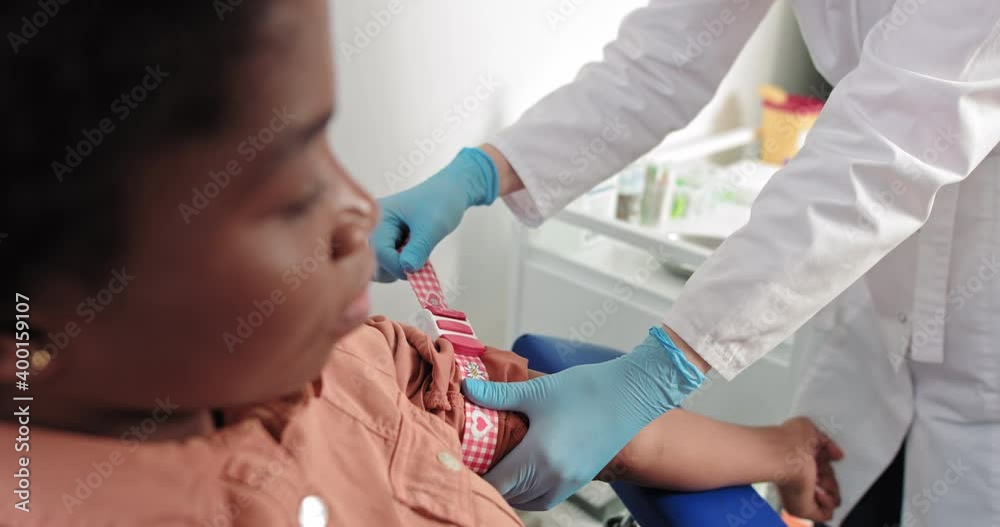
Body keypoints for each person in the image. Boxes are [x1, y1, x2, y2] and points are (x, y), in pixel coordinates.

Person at [0, 1, 843, 524]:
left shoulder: (355, 371)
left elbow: (615, 435)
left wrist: (779, 448)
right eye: (290, 194)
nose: (361, 208)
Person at [371, 0, 1000, 522]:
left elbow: (889, 150)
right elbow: (657, 66)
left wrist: (660, 373)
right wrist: (480, 172)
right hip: (884, 305)